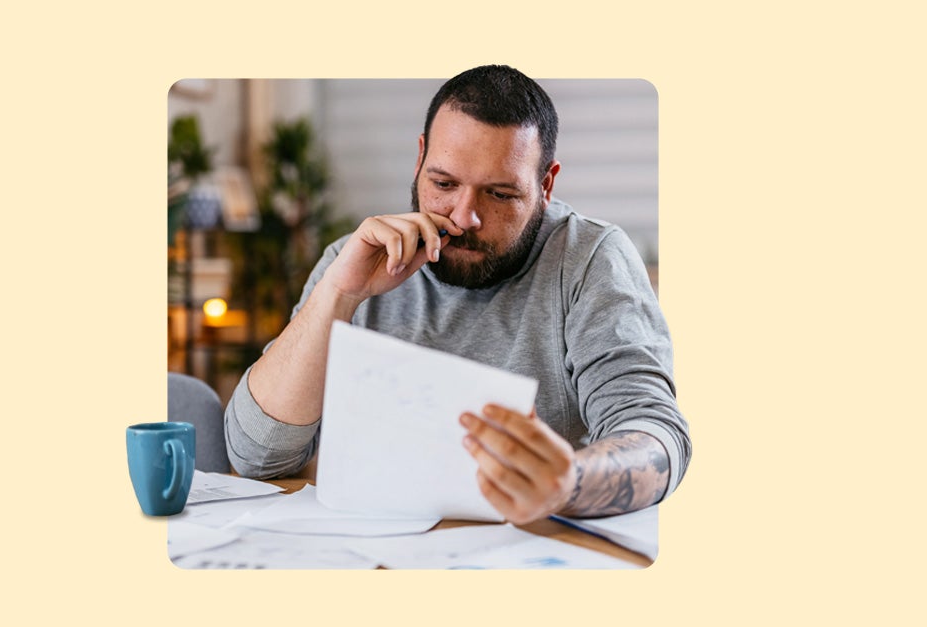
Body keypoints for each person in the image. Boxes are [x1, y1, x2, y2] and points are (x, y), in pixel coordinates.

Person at [224, 65, 690, 524]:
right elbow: (255, 459)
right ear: (420, 159)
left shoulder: (589, 260)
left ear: (546, 185)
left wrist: (570, 482)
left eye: (500, 194)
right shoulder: (356, 260)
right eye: (444, 184)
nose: (465, 217)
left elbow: (655, 436)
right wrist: (339, 295)